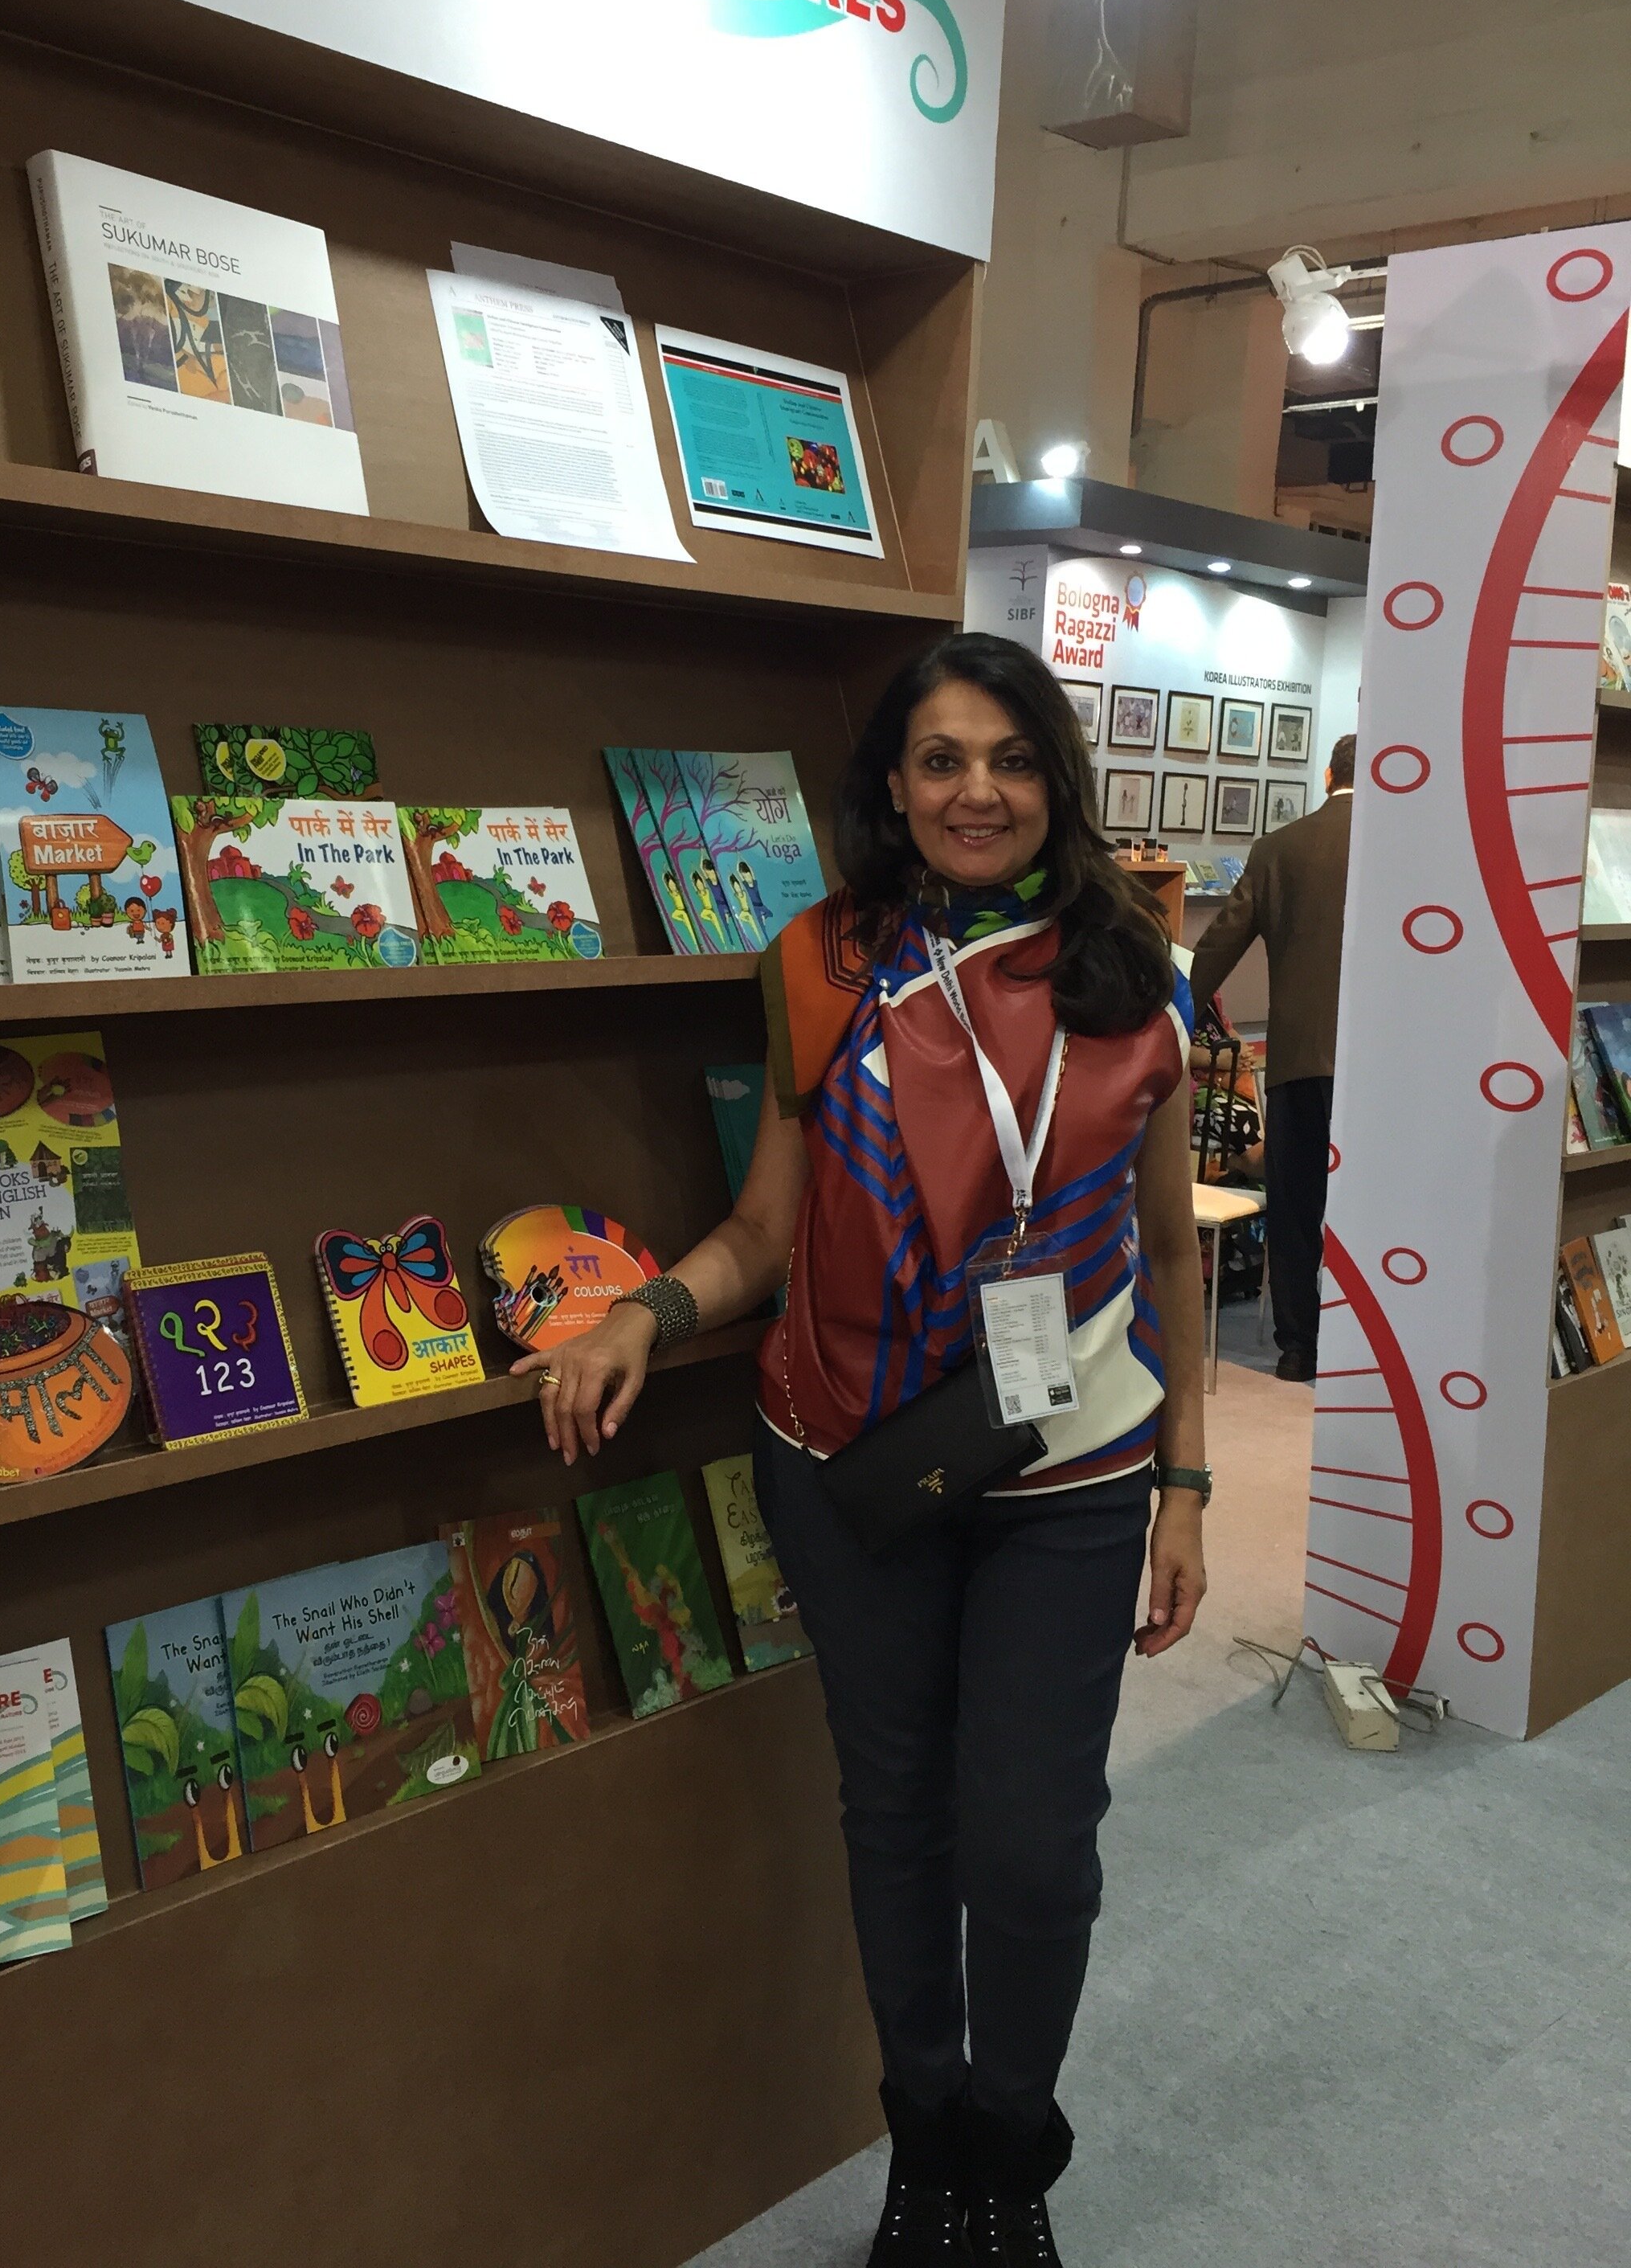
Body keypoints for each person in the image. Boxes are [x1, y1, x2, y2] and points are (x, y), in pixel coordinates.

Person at [514, 633, 1210, 2267]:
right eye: (943, 759)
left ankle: (1009, 2154)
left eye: (1013, 758)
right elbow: (766, 1227)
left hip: (1077, 1470)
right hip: (848, 1461)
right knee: (894, 1814)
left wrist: (1186, 1483)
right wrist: (645, 1315)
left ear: (1057, 782)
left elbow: (1175, 1254)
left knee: (1034, 1848)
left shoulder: (1136, 975)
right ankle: (927, 2143)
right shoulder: (822, 960)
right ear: (892, 787)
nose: (979, 789)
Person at [1188, 733, 1355, 1382]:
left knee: (1294, 1202)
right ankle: (1359, 1344)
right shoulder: (1400, 849)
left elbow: (1218, 946)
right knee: (1368, 1208)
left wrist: (1174, 1013)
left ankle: (1297, 1347)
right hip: (1375, 1070)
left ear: (1326, 775)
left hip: (1293, 1058)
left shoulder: (1278, 849)